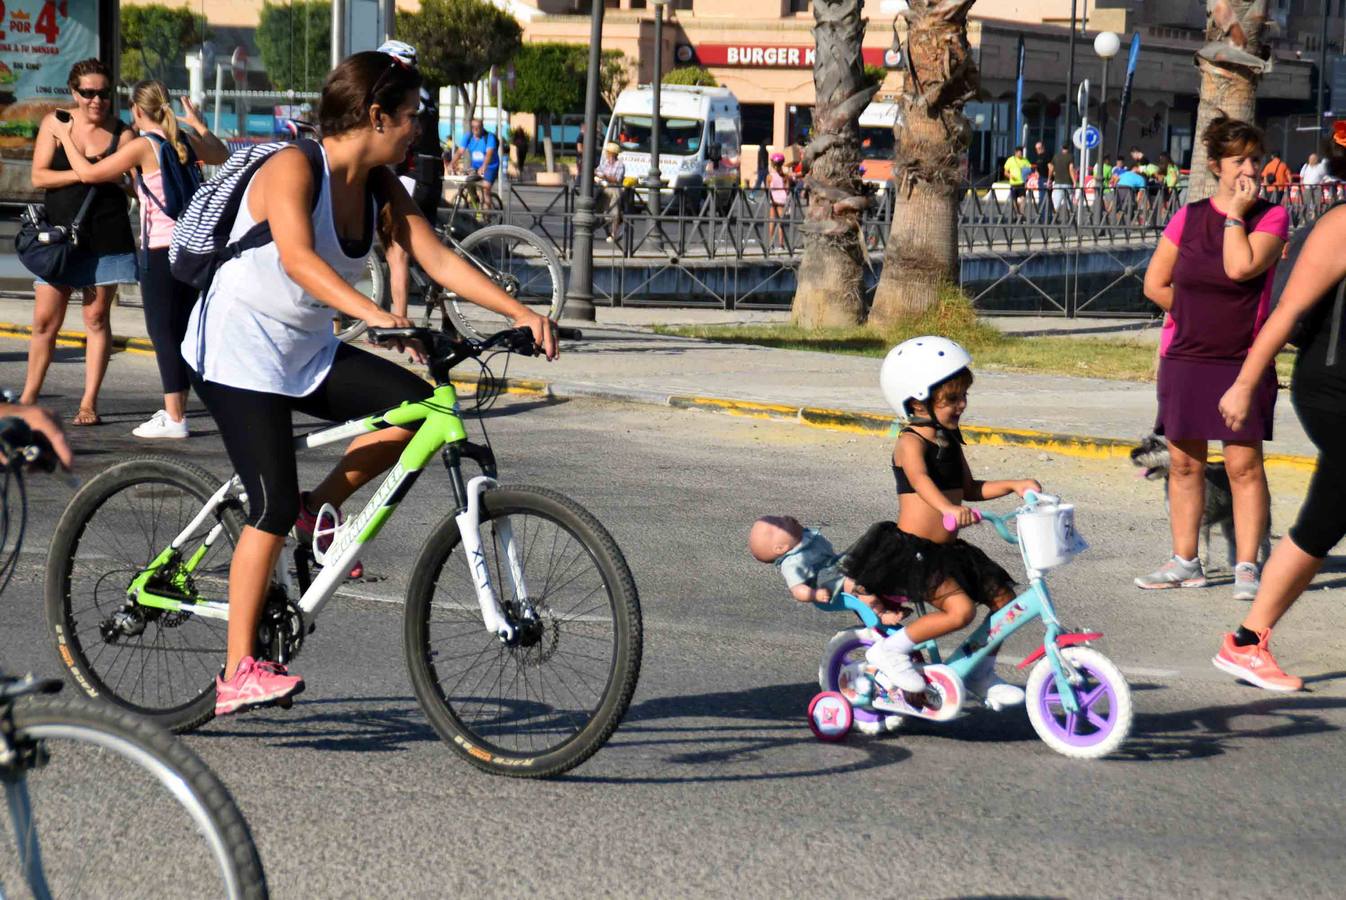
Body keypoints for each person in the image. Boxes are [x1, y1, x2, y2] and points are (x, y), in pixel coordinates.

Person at [182, 51, 558, 716]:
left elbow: (435, 258)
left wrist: (522, 312)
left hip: (304, 350)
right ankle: (237, 668)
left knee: (419, 408)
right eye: (411, 115)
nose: (419, 127)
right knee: (266, 506)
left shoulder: (381, 183)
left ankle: (316, 507)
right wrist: (377, 316)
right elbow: (297, 258)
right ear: (376, 115)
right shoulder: (294, 166)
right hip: (237, 353)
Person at [1212, 125, 1346, 692]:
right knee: (1327, 516)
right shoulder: (1341, 224)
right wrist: (1244, 382)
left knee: (1331, 514)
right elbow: (1288, 310)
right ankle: (1245, 641)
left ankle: (1246, 641)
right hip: (1335, 389)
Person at [1138, 114, 1288, 599]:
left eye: (1254, 157)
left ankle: (1246, 565)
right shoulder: (1188, 215)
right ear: (1215, 166)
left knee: (1244, 467)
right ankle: (1185, 561)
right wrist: (1195, 315)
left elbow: (1239, 266)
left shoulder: (1272, 216)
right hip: (1187, 358)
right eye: (1238, 159)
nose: (1249, 166)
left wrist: (1235, 215)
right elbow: (1155, 283)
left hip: (1242, 361)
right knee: (1184, 466)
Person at [851, 336, 1040, 710]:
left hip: (949, 551)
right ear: (917, 400)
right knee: (961, 612)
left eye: (963, 396)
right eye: (952, 399)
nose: (961, 405)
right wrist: (947, 510)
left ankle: (981, 672)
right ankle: (892, 651)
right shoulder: (909, 442)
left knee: (1006, 602)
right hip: (913, 552)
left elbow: (969, 488)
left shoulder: (949, 440)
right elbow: (921, 481)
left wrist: (1015, 485)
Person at [51, 80, 229, 439]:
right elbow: (222, 154)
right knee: (182, 332)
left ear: (136, 111)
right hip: (191, 249)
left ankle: (176, 417)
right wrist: (199, 124)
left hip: (160, 250)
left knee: (162, 333)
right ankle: (179, 409)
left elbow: (87, 174)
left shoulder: (144, 146)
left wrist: (64, 135)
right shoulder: (184, 141)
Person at [22, 58, 137, 425]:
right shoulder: (55, 124)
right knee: (44, 321)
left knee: (96, 318)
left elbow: (132, 181)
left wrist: (116, 178)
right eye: (88, 93)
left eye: (103, 93)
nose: (96, 100)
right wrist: (85, 174)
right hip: (59, 237)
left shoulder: (124, 133)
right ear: (74, 92)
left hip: (107, 236)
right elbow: (39, 176)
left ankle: (89, 403)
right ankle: (28, 397)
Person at [375, 40, 443, 321]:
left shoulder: (406, 98)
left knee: (396, 251)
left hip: (413, 174)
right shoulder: (423, 94)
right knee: (431, 251)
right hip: (430, 174)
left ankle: (397, 319)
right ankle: (449, 318)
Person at [748, 515, 909, 627]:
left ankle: (895, 595)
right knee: (853, 580)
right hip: (823, 584)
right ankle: (881, 613)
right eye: (780, 524)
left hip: (834, 568)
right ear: (780, 548)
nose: (785, 518)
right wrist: (815, 594)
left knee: (866, 557)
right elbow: (797, 590)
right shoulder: (791, 563)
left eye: (780, 517)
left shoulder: (805, 537)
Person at [450, 117, 499, 198]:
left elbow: (489, 153)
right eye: (473, 127)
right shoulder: (468, 137)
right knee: (466, 180)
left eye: (478, 127)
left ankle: (488, 209)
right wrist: (451, 163)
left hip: (490, 166)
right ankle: (475, 200)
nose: (475, 129)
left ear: (482, 127)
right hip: (475, 166)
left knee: (486, 189)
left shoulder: (489, 137)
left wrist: (484, 166)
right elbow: (460, 151)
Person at [593, 141, 626, 243]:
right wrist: (597, 174)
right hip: (603, 187)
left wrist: (605, 176)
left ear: (613, 153)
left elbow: (617, 179)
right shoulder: (604, 163)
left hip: (614, 188)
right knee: (598, 208)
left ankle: (614, 233)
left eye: (608, 152)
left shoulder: (620, 165)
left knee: (614, 211)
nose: (606, 154)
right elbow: (597, 171)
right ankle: (595, 229)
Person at [766, 152, 792, 249]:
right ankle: (781, 243)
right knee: (781, 222)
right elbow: (787, 189)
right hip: (782, 199)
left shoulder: (769, 176)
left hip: (772, 199)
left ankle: (770, 243)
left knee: (772, 221)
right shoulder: (785, 176)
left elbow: (767, 189)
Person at [1049, 142, 1076, 214]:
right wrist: (1074, 182)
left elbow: (1051, 168)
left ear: (1061, 148)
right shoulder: (1070, 156)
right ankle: (1071, 219)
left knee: (1056, 204)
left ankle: (1054, 220)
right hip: (1067, 183)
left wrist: (1049, 179)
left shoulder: (1056, 156)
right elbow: (1071, 169)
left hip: (1057, 182)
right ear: (1069, 148)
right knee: (1069, 203)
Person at [1003, 146, 1030, 216]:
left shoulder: (1025, 160)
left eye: (1021, 153)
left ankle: (1021, 214)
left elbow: (1028, 172)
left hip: (1022, 183)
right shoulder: (1010, 160)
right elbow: (1005, 172)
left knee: (1023, 199)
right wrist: (1010, 176)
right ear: (1016, 153)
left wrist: (1027, 181)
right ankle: (1017, 214)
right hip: (1013, 183)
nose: (1021, 154)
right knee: (1014, 200)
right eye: (1019, 153)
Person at [1032, 140, 1052, 221]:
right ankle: (1042, 217)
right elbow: (1038, 166)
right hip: (1040, 178)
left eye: (1039, 148)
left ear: (1043, 148)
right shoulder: (1038, 156)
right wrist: (1036, 171)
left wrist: (1049, 179)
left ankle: (1046, 218)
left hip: (1045, 178)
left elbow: (1050, 168)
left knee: (1045, 198)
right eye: (1037, 149)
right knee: (1041, 199)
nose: (1038, 150)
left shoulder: (1047, 155)